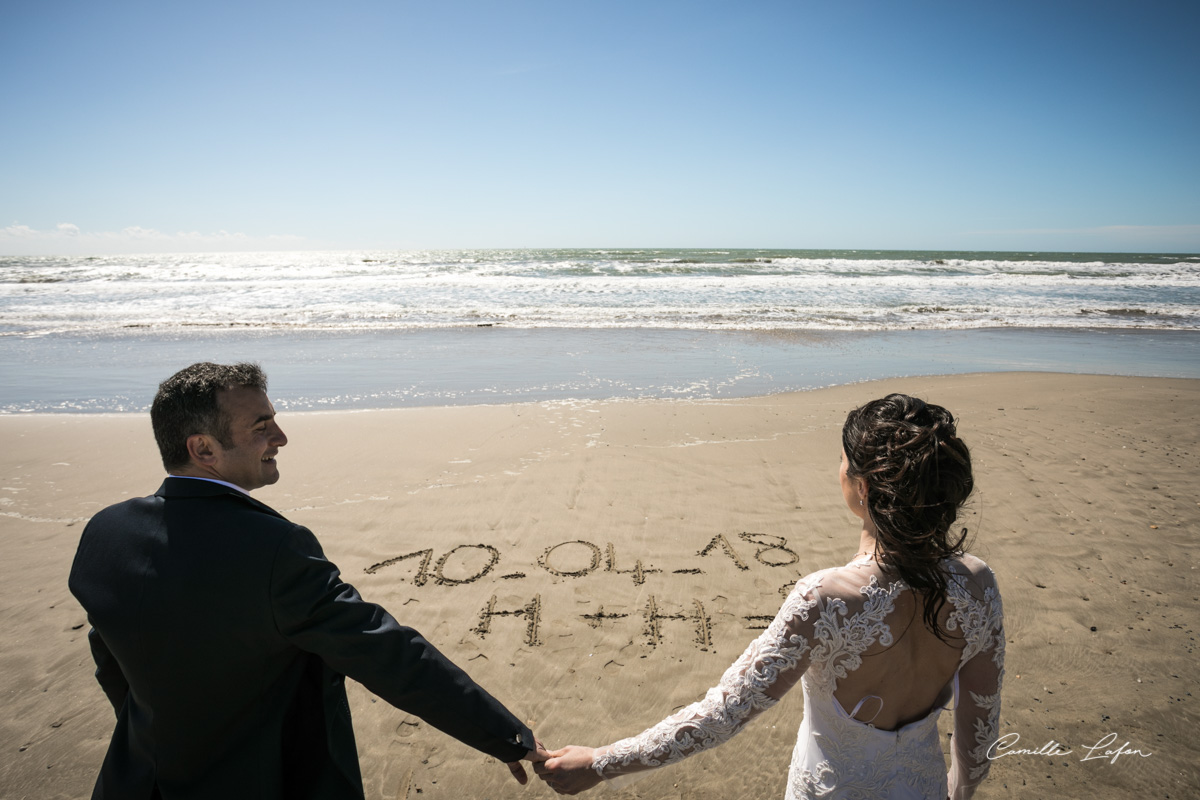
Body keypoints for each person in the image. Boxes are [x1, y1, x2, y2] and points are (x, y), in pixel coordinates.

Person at [68, 362, 546, 799]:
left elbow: (110, 658)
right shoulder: (274, 549)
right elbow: (386, 652)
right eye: (261, 426)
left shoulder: (105, 533)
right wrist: (504, 735)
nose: (281, 436)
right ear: (203, 448)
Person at [536, 394, 1004, 799]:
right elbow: (978, 738)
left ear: (861, 487)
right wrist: (957, 793)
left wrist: (600, 762)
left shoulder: (827, 600)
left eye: (842, 460)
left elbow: (723, 713)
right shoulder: (979, 586)